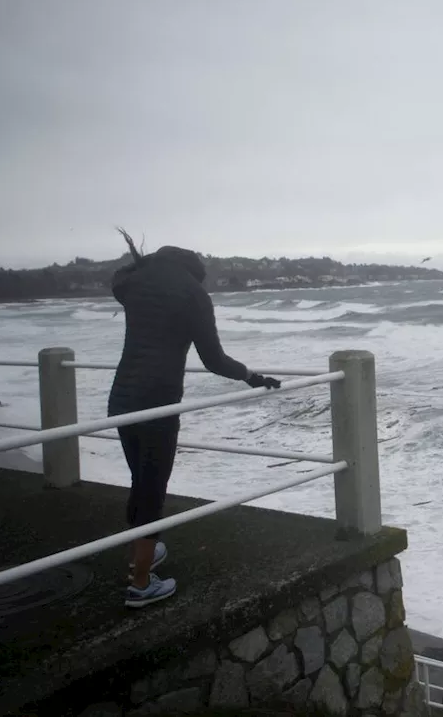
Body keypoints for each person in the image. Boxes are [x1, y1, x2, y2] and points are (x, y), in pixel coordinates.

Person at [107, 233, 281, 608]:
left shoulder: (135, 283)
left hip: (121, 397)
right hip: (158, 403)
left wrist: (144, 264)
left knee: (140, 480)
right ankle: (140, 584)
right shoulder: (193, 294)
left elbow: (118, 281)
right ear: (194, 271)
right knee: (152, 488)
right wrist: (251, 376)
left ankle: (144, 554)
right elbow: (213, 359)